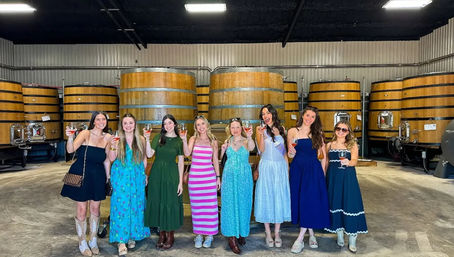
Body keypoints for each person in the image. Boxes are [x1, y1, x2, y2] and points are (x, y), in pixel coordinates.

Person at [61, 111, 112, 256]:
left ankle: (93, 240)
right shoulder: (85, 133)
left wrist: (108, 178)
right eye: (98, 119)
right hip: (81, 173)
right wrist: (70, 137)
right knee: (82, 209)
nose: (101, 122)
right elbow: (70, 150)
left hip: (98, 175)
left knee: (95, 209)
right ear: (93, 121)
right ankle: (82, 241)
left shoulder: (108, 137)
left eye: (104, 119)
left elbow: (107, 159)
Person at [108, 113, 153, 255]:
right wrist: (114, 146)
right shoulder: (117, 139)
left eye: (131, 123)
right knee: (121, 206)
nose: (128, 126)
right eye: (125, 123)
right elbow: (111, 158)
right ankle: (121, 241)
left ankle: (132, 235)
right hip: (121, 176)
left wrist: (144, 173)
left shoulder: (140, 139)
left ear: (135, 125)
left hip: (137, 176)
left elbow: (144, 158)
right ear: (122, 125)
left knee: (136, 205)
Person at [287, 106, 330, 253]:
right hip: (298, 169)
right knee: (301, 201)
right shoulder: (292, 131)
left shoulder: (317, 133)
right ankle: (311, 234)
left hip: (313, 171)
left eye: (313, 117)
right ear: (302, 115)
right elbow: (290, 155)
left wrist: (322, 175)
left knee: (308, 201)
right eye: (307, 115)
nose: (309, 118)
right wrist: (290, 152)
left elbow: (323, 156)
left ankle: (299, 239)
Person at [324, 121, 368, 253]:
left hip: (348, 178)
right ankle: (339, 235)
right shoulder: (329, 145)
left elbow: (355, 160)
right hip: (333, 178)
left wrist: (349, 162)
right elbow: (326, 163)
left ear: (348, 132)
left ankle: (352, 240)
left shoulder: (352, 144)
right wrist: (324, 177)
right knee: (336, 204)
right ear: (335, 130)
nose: (341, 131)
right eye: (338, 129)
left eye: (344, 130)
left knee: (350, 204)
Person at [144, 114, 184, 250]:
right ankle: (161, 234)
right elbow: (149, 154)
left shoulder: (179, 141)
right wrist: (147, 139)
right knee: (158, 200)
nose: (167, 126)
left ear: (174, 124)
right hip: (157, 173)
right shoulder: (158, 138)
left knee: (170, 202)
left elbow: (181, 162)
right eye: (165, 123)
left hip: (171, 174)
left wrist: (180, 182)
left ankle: (170, 234)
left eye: (170, 123)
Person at [181, 115, 221, 248]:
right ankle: (198, 235)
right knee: (197, 207)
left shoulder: (213, 140)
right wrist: (183, 140)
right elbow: (187, 153)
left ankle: (209, 235)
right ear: (195, 127)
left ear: (207, 125)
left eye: (202, 124)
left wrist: (217, 177)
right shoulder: (193, 138)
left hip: (208, 178)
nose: (201, 127)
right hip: (195, 178)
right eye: (198, 125)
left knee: (210, 207)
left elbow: (215, 160)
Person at [254, 104, 291, 248]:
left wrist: (287, 170)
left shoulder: (281, 129)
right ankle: (268, 232)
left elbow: (284, 152)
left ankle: (277, 232)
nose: (265, 116)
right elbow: (261, 150)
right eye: (263, 114)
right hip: (267, 166)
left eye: (268, 113)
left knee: (279, 197)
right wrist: (263, 134)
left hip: (279, 166)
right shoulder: (259, 129)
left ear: (273, 114)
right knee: (267, 196)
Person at [220, 117, 255, 254]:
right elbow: (221, 159)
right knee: (229, 205)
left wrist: (250, 136)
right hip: (229, 177)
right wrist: (222, 150)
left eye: (237, 127)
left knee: (243, 204)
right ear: (230, 128)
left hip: (244, 178)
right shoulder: (227, 141)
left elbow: (252, 148)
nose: (235, 130)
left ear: (241, 128)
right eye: (232, 127)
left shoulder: (246, 141)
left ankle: (241, 231)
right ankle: (231, 238)